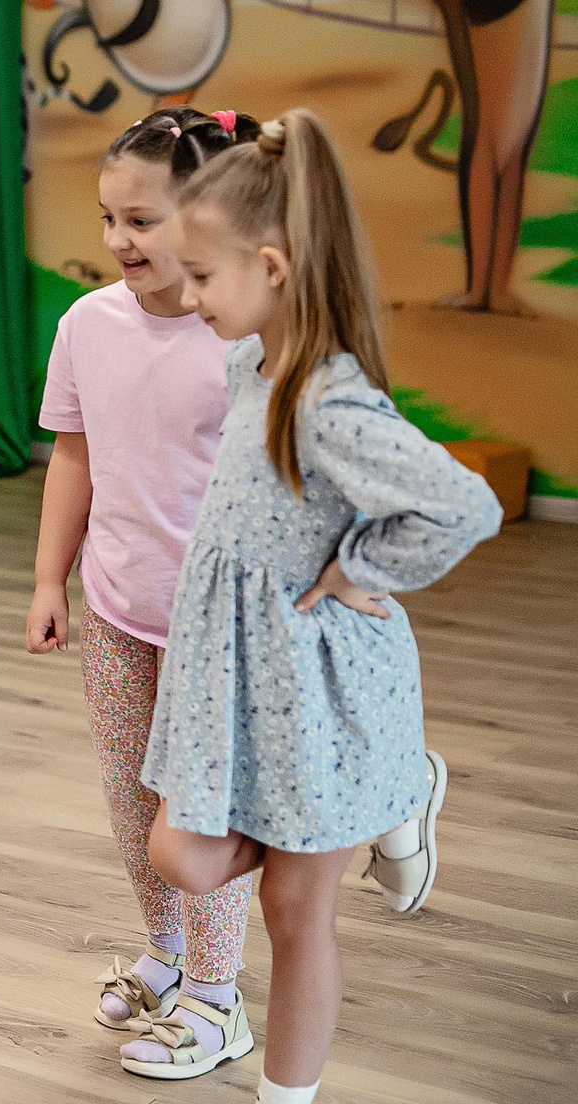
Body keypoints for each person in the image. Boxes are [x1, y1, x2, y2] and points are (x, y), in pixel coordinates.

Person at [143, 110, 501, 1101]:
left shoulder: (328, 402)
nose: (188, 296)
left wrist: (361, 566)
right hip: (246, 687)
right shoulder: (246, 363)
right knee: (180, 853)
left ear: (271, 267)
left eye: (201, 276)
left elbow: (467, 505)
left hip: (321, 692)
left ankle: (286, 1094)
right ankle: (394, 792)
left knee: (296, 912)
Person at [27, 109, 262, 1078]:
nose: (119, 238)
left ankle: (217, 995)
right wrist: (49, 577)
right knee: (134, 808)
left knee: (198, 815)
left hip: (219, 627)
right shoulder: (86, 325)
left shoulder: (243, 336)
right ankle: (165, 953)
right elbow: (73, 455)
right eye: (108, 217)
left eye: (142, 220)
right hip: (118, 610)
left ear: (205, 217)